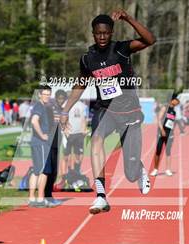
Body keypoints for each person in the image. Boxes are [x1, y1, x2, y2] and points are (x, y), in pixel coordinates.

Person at [61, 10, 155, 214]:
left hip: (129, 112)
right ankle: (101, 196)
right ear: (93, 34)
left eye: (106, 33)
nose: (102, 37)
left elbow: (150, 40)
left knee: (130, 172)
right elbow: (80, 85)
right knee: (95, 140)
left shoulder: (121, 49)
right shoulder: (88, 58)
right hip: (106, 110)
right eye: (98, 33)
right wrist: (65, 110)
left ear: (111, 33)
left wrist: (129, 18)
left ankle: (138, 168)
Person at [28, 86, 55, 207]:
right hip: (41, 143)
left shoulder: (42, 106)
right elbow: (34, 121)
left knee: (36, 170)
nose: (47, 96)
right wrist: (42, 136)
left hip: (36, 142)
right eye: (45, 94)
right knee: (44, 171)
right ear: (39, 95)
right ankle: (40, 198)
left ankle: (32, 198)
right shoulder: (39, 106)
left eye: (49, 94)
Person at [150, 96, 180, 177]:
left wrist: (172, 132)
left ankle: (168, 169)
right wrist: (162, 130)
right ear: (172, 100)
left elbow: (172, 123)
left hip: (169, 133)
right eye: (176, 100)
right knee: (158, 151)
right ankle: (155, 170)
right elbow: (159, 119)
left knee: (168, 151)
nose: (178, 102)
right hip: (161, 132)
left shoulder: (174, 112)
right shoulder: (165, 108)